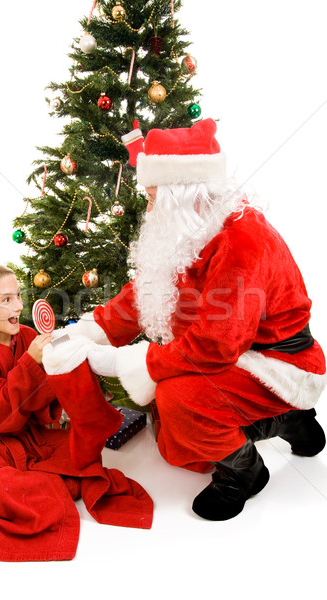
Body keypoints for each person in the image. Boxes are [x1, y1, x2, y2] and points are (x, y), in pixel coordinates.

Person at [48, 118, 327, 521]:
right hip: (235, 357)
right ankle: (287, 421)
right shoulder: (195, 226)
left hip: (279, 363)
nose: (147, 207)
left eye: (151, 196)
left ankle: (245, 471)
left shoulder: (242, 241)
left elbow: (215, 345)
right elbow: (147, 293)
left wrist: (129, 363)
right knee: (172, 440)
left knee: (179, 400)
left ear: (181, 194)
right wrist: (91, 331)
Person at [0, 264, 153, 562]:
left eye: (17, 295)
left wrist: (64, 361)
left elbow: (45, 398)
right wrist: (30, 363)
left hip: (27, 435)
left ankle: (42, 484)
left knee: (82, 454)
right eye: (5, 300)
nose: (18, 305)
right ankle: (48, 487)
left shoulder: (28, 336)